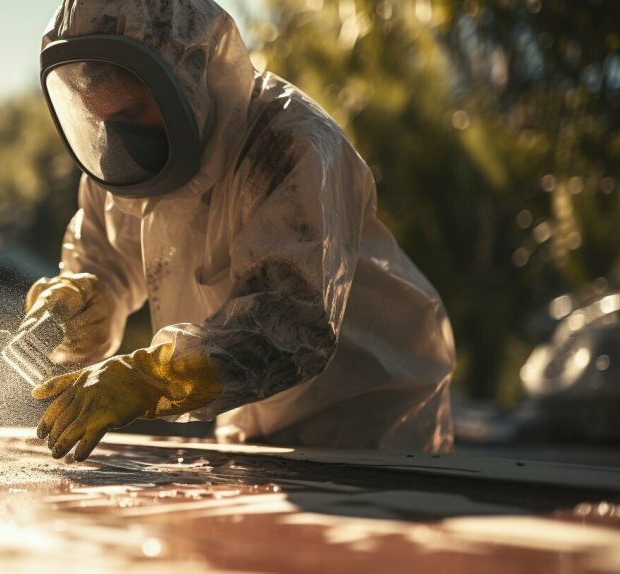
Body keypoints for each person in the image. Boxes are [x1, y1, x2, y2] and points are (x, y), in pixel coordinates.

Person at [25, 0, 455, 462]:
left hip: (371, 427)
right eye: (101, 119)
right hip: (250, 432)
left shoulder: (290, 145)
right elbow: (107, 260)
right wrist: (89, 301)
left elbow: (287, 325)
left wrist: (149, 378)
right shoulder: (121, 175)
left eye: (128, 113)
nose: (115, 138)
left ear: (184, 78)